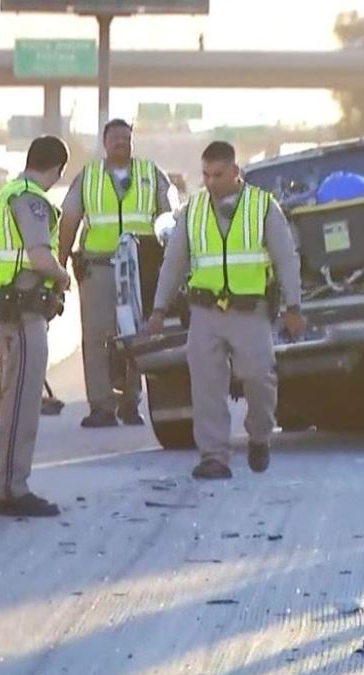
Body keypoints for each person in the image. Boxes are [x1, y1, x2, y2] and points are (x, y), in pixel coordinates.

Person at [146, 141, 305, 480]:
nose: (210, 182)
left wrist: (294, 306)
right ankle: (214, 457)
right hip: (204, 312)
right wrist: (158, 308)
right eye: (205, 175)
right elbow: (173, 263)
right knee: (206, 388)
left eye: (218, 175)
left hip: (250, 311)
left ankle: (260, 435)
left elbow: (286, 259)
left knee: (259, 378)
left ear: (235, 172)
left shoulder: (263, 207)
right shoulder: (193, 210)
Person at [58, 119, 177, 428]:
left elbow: (171, 218)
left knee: (135, 336)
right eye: (115, 139)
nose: (121, 143)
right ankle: (101, 406)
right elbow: (69, 218)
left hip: (141, 267)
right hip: (98, 268)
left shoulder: (152, 175)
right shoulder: (88, 177)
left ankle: (130, 402)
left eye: (126, 138)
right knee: (97, 337)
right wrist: (60, 262)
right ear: (105, 143)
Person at [0, 136, 72, 518]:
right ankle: (12, 490)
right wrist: (63, 277)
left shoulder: (4, 195)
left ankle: (0, 486)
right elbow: (39, 257)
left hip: (6, 311)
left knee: (9, 404)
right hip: (22, 316)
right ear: (57, 169)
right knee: (21, 406)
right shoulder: (32, 199)